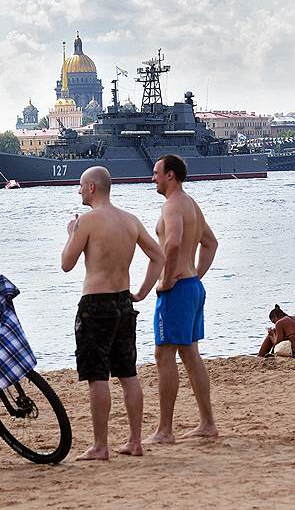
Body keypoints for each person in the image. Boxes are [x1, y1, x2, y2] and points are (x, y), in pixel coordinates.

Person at [61, 166, 165, 461]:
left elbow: (67, 264)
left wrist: (71, 234)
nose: (79, 190)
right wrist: (143, 291)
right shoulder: (129, 220)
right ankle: (135, 441)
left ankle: (100, 445)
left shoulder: (87, 221)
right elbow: (158, 256)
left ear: (92, 188)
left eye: (81, 186)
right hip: (123, 302)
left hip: (95, 304)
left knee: (98, 376)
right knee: (128, 373)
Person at [144, 154, 219, 445]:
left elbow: (173, 242)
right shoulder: (191, 205)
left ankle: (165, 430)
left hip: (177, 290)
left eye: (156, 173)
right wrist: (196, 275)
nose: (153, 178)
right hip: (191, 287)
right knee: (190, 354)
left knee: (164, 355)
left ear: (170, 175)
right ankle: (207, 424)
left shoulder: (172, 205)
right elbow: (211, 243)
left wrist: (166, 279)